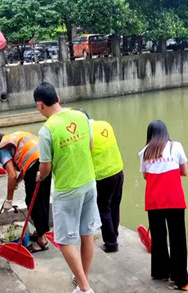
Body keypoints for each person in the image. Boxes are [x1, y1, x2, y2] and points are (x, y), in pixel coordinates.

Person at [34, 82, 101, 293]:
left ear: (40, 105)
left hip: (67, 190)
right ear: (59, 98)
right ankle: (83, 279)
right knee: (86, 234)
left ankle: (84, 288)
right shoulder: (81, 117)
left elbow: (45, 167)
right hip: (89, 183)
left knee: (64, 241)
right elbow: (90, 145)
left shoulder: (47, 130)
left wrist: (39, 175)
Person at [138, 120, 188, 291]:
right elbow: (185, 171)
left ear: (150, 135)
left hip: (154, 201)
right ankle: (181, 280)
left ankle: (162, 272)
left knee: (159, 238)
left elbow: (146, 176)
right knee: (178, 239)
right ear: (166, 133)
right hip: (174, 200)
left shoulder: (145, 152)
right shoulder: (176, 147)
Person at [0, 131, 52, 252]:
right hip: (46, 162)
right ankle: (40, 231)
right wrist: (18, 181)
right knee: (42, 199)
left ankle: (42, 241)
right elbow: (24, 163)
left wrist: (9, 200)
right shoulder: (14, 138)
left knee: (33, 202)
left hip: (34, 165)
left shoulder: (2, 149)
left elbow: (11, 174)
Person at [75, 108, 124, 253]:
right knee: (115, 206)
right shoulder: (105, 124)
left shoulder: (84, 134)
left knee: (104, 209)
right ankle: (114, 234)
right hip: (118, 171)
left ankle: (111, 243)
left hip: (102, 176)